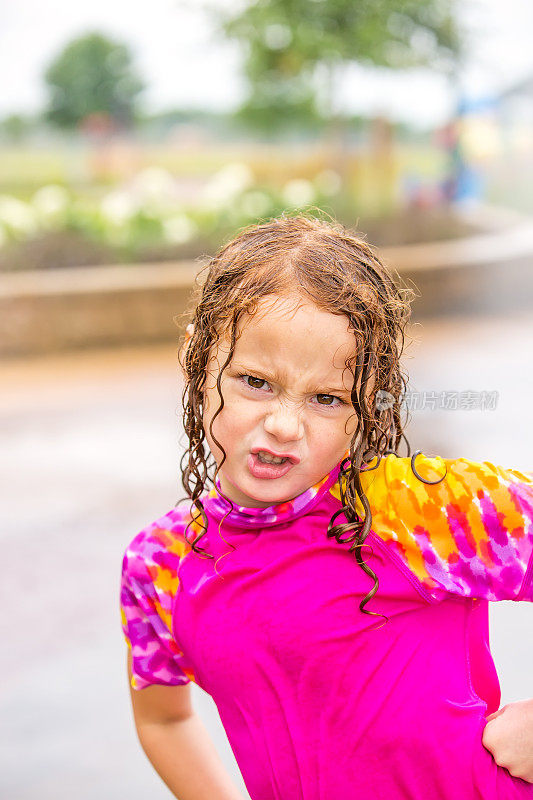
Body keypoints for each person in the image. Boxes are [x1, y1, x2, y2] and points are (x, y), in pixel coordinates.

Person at [119, 213, 533, 800]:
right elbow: (164, 718)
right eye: (255, 382)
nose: (284, 425)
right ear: (197, 360)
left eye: (327, 398)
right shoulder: (161, 565)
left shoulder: (420, 509)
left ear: (371, 403)